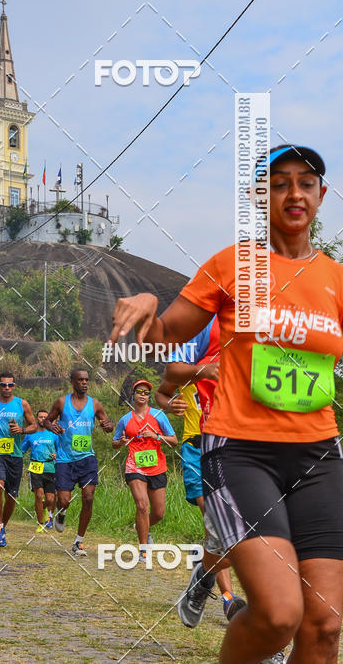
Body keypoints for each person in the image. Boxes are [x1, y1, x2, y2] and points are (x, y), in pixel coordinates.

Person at [110, 144, 343, 664]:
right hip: (240, 452)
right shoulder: (231, 264)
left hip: (320, 456)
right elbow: (160, 341)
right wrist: (147, 304)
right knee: (280, 614)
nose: (293, 193)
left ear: (321, 195)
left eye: (305, 182)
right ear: (261, 197)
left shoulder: (336, 280)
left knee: (324, 624)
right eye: (278, 183)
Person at [155, 318, 246, 621]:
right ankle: (227, 597)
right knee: (219, 525)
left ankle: (204, 574)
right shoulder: (199, 352)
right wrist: (170, 407)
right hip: (198, 449)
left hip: (242, 448)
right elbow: (163, 390)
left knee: (239, 531)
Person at [45, 367, 114, 556]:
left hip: (87, 458)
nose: (84, 383)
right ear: (72, 382)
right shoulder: (61, 402)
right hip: (65, 459)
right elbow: (47, 421)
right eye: (80, 380)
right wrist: (53, 427)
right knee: (64, 500)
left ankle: (78, 542)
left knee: (89, 497)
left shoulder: (95, 404)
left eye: (87, 380)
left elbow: (107, 425)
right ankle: (61, 512)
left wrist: (109, 425)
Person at [112, 378, 177, 561]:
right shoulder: (125, 419)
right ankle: (143, 550)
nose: (142, 395)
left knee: (158, 513)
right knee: (142, 505)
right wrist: (121, 442)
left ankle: (142, 526)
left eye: (146, 392)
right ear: (133, 395)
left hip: (157, 467)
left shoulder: (158, 416)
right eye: (139, 391)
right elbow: (115, 443)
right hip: (135, 466)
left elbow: (173, 441)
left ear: (149, 396)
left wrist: (157, 436)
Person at [0, 372, 36, 547]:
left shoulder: (21, 404)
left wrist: (22, 430)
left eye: (10, 385)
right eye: (3, 385)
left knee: (11, 496)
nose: (7, 388)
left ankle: (2, 528)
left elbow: (34, 425)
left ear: (14, 386)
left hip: (14, 454)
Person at [21, 409, 58, 531]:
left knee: (50, 499)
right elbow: (21, 450)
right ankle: (40, 523)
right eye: (40, 417)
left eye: (45, 417)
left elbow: (61, 451)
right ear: (37, 419)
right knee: (38, 495)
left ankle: (48, 515)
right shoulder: (31, 434)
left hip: (50, 468)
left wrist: (57, 455)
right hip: (35, 467)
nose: (42, 419)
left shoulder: (53, 434)